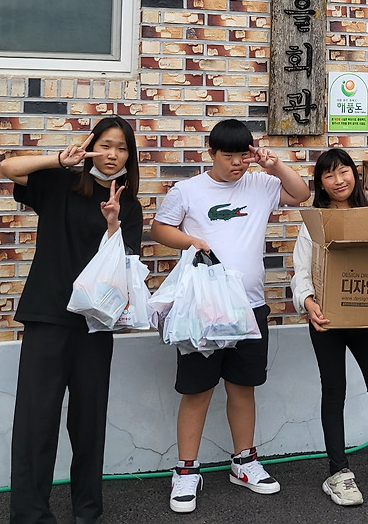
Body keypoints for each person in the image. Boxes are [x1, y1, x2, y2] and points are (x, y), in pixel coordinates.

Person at [150, 119, 311, 514]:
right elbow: (159, 229)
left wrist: (274, 164)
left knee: (243, 387)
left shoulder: (261, 184)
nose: (237, 163)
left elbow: (301, 193)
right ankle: (186, 470)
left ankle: (244, 462)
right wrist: (192, 241)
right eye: (229, 156)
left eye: (243, 155)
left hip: (250, 306)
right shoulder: (188, 190)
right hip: (203, 309)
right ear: (211, 152)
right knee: (197, 390)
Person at [0, 115, 144, 524]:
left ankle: (88, 512)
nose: (113, 155)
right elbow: (7, 168)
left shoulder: (129, 206)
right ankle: (30, 515)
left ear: (129, 157)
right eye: (106, 145)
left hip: (95, 325)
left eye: (122, 148)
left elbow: (127, 266)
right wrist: (58, 160)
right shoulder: (60, 184)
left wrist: (113, 224)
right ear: (92, 146)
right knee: (36, 420)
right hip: (48, 314)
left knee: (88, 421)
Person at [291, 147, 368, 506]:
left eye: (343, 171)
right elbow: (301, 271)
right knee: (334, 393)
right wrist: (309, 304)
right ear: (321, 183)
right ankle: (338, 472)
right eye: (328, 175)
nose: (338, 180)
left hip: (365, 317)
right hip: (326, 320)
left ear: (354, 175)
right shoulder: (314, 221)